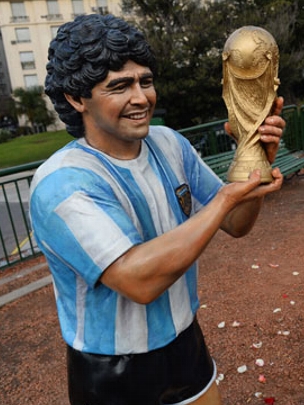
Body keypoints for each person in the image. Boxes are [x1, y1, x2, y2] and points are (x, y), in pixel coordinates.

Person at [29, 14, 286, 405]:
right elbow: (139, 281)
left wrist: (254, 170)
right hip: (112, 370)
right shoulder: (61, 183)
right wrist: (224, 198)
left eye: (145, 81)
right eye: (119, 86)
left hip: (186, 344)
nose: (141, 97)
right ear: (76, 98)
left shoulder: (169, 143)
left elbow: (236, 224)